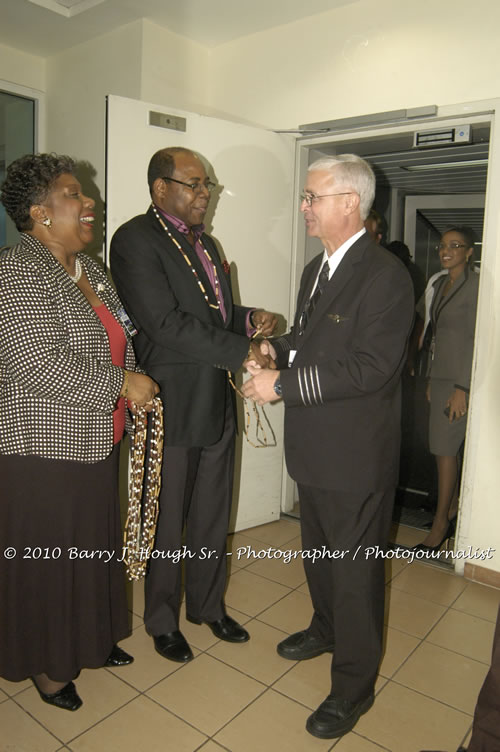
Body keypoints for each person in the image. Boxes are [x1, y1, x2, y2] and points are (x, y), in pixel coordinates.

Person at [242, 154, 414, 739]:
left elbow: (371, 369)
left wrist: (281, 384)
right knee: (319, 555)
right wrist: (276, 350)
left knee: (354, 574)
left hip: (355, 458)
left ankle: (353, 686)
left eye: (314, 197)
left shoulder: (386, 275)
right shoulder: (320, 267)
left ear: (350, 202)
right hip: (314, 450)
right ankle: (325, 629)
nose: (305, 207)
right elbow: (313, 340)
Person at [0, 153, 159, 711]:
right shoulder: (19, 269)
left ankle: (89, 637)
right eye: (74, 194)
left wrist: (129, 390)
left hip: (95, 436)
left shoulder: (88, 270)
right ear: (40, 212)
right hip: (41, 447)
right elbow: (38, 365)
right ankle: (46, 664)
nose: (88, 201)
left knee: (90, 549)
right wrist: (123, 384)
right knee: (50, 562)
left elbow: (121, 337)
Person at [110, 146, 277, 664]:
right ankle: (161, 619)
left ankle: (208, 606)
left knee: (210, 512)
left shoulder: (207, 243)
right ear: (161, 189)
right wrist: (241, 350)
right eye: (195, 184)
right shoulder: (135, 239)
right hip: (171, 401)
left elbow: (215, 315)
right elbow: (163, 323)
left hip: (218, 399)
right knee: (166, 519)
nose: (205, 194)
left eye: (209, 186)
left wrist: (250, 321)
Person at [413, 227, 479, 552]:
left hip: (459, 381)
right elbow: (432, 333)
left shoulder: (478, 286)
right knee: (440, 448)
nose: (446, 250)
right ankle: (450, 511)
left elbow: (476, 340)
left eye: (456, 246)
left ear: (469, 252)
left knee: (444, 450)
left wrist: (462, 387)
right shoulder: (440, 283)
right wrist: (429, 379)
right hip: (439, 378)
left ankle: (440, 525)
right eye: (443, 245)